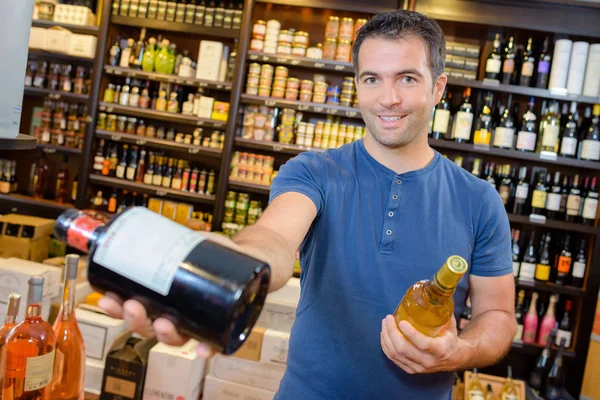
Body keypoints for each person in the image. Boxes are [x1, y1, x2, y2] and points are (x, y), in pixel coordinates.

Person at [99, 10, 516, 399]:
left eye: (406, 78)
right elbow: (274, 238)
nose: (388, 98)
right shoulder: (315, 171)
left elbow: (497, 314)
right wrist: (236, 264)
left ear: (437, 87)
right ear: (357, 86)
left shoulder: (478, 200)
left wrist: (459, 352)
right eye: (372, 79)